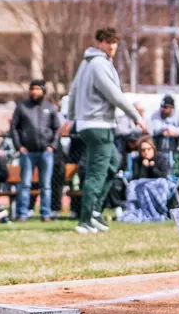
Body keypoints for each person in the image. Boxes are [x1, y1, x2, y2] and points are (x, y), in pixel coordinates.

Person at [62, 27, 148, 234]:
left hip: (94, 124)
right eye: (108, 42)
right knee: (96, 173)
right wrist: (136, 117)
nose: (112, 46)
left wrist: (70, 118)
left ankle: (94, 212)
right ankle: (85, 219)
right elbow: (114, 95)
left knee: (112, 164)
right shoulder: (98, 63)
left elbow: (73, 91)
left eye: (114, 42)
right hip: (98, 125)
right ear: (98, 43)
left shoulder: (87, 63)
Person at [10, 80, 60, 222]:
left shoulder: (50, 108)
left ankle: (46, 214)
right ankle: (22, 213)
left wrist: (52, 146)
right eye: (32, 89)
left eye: (37, 89)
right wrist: (19, 146)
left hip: (45, 152)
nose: (34, 92)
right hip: (28, 152)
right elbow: (14, 128)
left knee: (46, 185)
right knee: (25, 184)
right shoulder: (22, 107)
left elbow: (57, 129)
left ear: (43, 91)